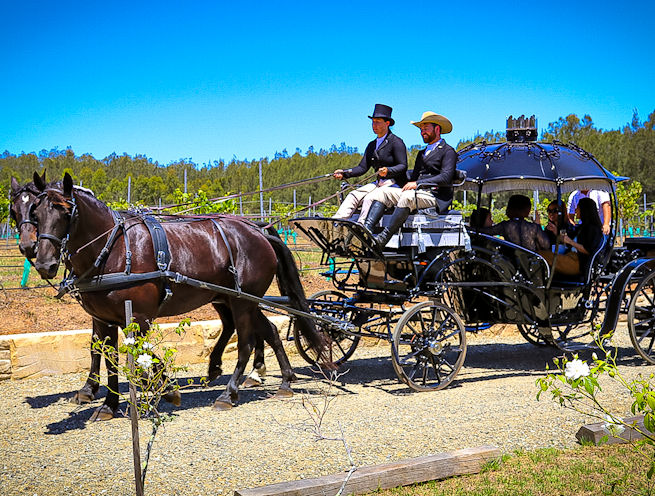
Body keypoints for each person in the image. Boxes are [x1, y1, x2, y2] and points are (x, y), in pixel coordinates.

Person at [363, 111, 457, 247]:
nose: (422, 132)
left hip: (435, 196)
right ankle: (367, 232)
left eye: (426, 128)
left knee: (407, 196)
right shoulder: (422, 153)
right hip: (417, 193)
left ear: (437, 129)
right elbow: (412, 177)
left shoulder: (448, 151)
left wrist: (417, 183)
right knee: (381, 193)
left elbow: (446, 177)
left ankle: (383, 238)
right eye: (421, 129)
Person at [332, 104, 407, 225]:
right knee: (353, 195)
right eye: (373, 122)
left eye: (378, 122)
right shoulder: (372, 145)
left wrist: (388, 170)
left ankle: (361, 227)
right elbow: (362, 168)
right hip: (378, 184)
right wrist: (345, 173)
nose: (374, 125)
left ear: (387, 123)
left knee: (369, 199)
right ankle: (336, 223)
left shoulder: (396, 142)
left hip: (394, 184)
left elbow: (403, 166)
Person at [540, 197, 604, 276]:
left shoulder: (592, 229)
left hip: (577, 262)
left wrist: (570, 242)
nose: (576, 211)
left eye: (578, 208)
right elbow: (566, 241)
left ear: (584, 210)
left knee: (540, 255)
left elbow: (588, 250)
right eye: (549, 211)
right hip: (569, 256)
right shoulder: (582, 227)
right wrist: (557, 233)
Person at [481, 194, 550, 252]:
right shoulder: (534, 227)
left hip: (510, 263)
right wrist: (538, 225)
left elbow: (485, 232)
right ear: (527, 210)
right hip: (531, 264)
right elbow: (546, 245)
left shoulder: (505, 225)